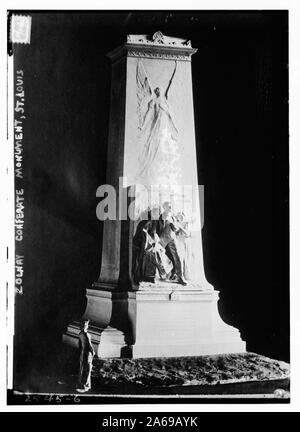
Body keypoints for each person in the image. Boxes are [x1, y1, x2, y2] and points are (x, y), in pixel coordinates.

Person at [157, 202, 187, 286]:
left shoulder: (172, 217)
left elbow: (175, 228)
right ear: (164, 207)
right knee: (162, 258)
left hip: (171, 238)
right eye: (168, 206)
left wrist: (175, 225)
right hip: (163, 240)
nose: (170, 208)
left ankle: (180, 276)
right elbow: (159, 227)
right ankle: (166, 274)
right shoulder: (163, 216)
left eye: (171, 206)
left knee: (177, 257)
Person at [76, 320, 95, 393]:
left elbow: (80, 345)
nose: (86, 326)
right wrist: (93, 351)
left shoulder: (80, 334)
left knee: (84, 367)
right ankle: (84, 384)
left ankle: (83, 383)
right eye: (85, 324)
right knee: (87, 367)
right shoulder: (86, 334)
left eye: (86, 324)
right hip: (87, 353)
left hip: (83, 352)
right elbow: (89, 345)